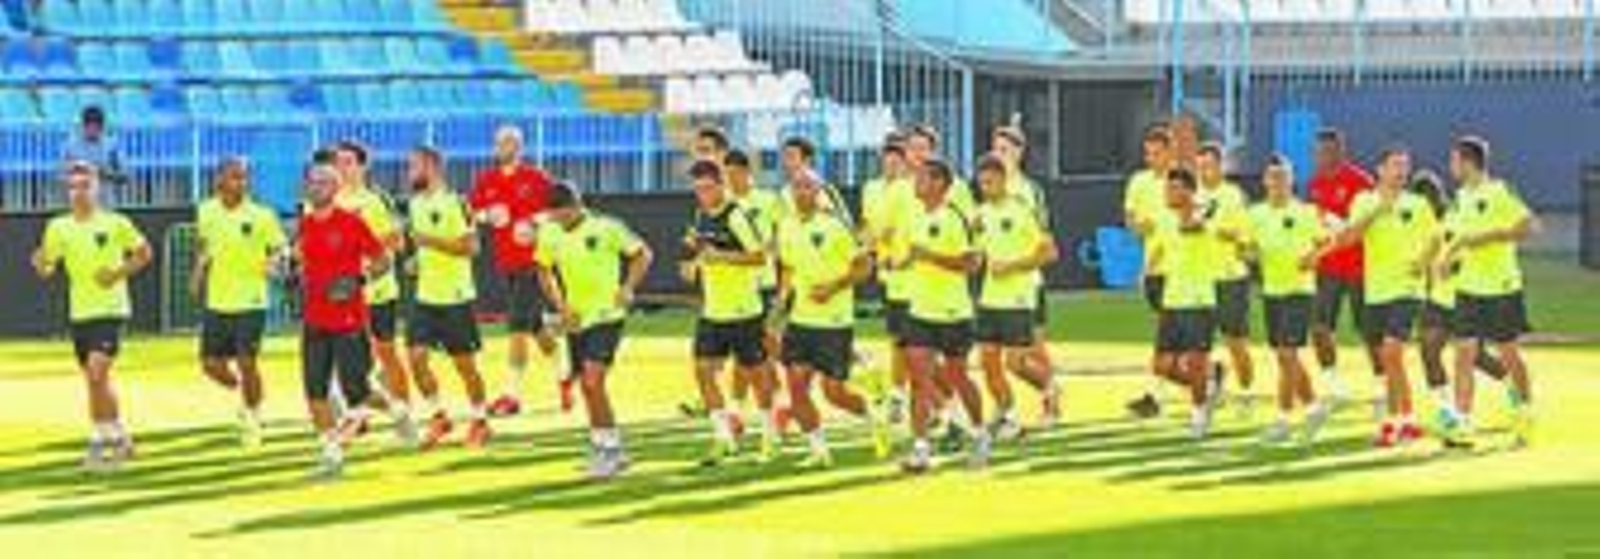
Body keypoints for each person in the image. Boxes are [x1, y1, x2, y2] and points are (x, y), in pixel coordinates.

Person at [1313, 148, 1438, 447]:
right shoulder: (1364, 201)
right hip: (1375, 291)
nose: (1401, 171)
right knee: (1388, 359)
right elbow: (1348, 238)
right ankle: (1406, 419)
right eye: (1395, 165)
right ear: (1380, 170)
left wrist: (1423, 262)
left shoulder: (1418, 204)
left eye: (1405, 165)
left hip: (1408, 290)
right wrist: (1376, 211)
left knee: (1393, 352)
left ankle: (1390, 424)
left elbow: (1435, 238)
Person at [32, 161, 152, 471]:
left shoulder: (116, 223)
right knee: (96, 381)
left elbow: (144, 253)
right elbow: (47, 268)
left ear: (97, 187)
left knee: (97, 373)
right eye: (73, 187)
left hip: (111, 310)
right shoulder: (58, 227)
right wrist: (40, 264)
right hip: (80, 312)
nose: (78, 193)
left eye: (85, 186)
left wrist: (117, 273)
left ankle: (99, 443)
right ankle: (121, 438)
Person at [535, 181, 652, 479]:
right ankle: (605, 446)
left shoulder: (607, 227)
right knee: (588, 387)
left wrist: (627, 287)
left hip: (607, 315)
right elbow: (543, 269)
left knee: (591, 382)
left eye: (563, 214)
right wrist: (561, 307)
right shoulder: (549, 232)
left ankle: (609, 451)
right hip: (577, 319)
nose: (559, 220)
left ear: (577, 206)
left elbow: (642, 254)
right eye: (554, 215)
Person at [776, 171, 889, 466]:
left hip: (835, 323)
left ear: (818, 191)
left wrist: (833, 287)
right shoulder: (786, 226)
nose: (801, 192)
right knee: (796, 385)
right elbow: (788, 267)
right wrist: (780, 299)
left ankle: (874, 416)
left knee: (834, 394)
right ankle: (818, 451)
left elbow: (864, 267)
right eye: (796, 187)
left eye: (807, 187)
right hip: (800, 320)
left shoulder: (835, 226)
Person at [293, 164, 394, 479]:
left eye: (325, 181)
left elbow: (384, 259)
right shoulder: (305, 225)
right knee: (315, 392)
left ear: (336, 188)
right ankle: (331, 455)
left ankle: (399, 411)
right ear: (306, 187)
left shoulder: (352, 222)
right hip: (314, 319)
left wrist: (359, 280)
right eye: (313, 181)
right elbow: (300, 263)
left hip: (349, 319)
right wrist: (289, 271)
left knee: (358, 391)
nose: (318, 186)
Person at [1443, 136, 1540, 447]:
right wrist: (1448, 259)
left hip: (1501, 288)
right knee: (1463, 355)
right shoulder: (1459, 197)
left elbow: (1529, 227)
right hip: (1468, 288)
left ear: (1468, 162)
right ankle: (1462, 423)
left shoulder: (1500, 191)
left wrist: (1485, 237)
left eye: (1454, 160)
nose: (1451, 166)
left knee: (1509, 355)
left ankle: (1525, 415)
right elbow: (1458, 239)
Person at [682, 160, 777, 465]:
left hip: (743, 309)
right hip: (713, 310)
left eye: (708, 188)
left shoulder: (737, 215)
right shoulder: (700, 215)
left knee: (757, 374)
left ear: (721, 185)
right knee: (703, 371)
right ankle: (723, 439)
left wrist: (721, 256)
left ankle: (768, 435)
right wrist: (692, 262)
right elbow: (700, 250)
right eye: (697, 189)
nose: (703, 195)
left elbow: (760, 257)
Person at [899, 159, 991, 474]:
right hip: (919, 311)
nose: (915, 181)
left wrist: (929, 256)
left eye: (921, 177)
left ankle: (980, 434)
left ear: (938, 183)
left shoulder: (955, 218)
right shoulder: (914, 217)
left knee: (957, 377)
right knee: (919, 381)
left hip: (954, 313)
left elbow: (972, 264)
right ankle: (921, 449)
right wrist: (899, 263)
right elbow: (911, 257)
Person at [192, 157, 286, 448]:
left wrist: (276, 262)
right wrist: (198, 273)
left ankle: (254, 417)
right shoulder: (206, 211)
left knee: (247, 362)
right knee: (210, 365)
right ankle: (243, 394)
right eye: (234, 177)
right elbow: (205, 247)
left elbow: (280, 248)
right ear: (219, 180)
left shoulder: (263, 215)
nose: (241, 183)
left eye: (244, 177)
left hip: (252, 300)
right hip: (218, 301)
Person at [1409, 170, 1511, 441]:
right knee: (1428, 349)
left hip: (1465, 297)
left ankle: (1512, 383)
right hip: (1437, 301)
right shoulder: (1416, 224)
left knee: (1475, 357)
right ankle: (1446, 412)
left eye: (1428, 199)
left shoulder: (1454, 217)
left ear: (1437, 199)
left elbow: (1467, 251)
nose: (1424, 205)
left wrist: (1453, 265)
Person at [469, 125, 561, 417]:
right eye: (500, 143)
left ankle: (512, 395)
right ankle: (566, 374)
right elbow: (471, 211)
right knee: (535, 327)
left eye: (510, 142)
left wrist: (534, 222)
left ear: (520, 147)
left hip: (534, 261)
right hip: (505, 261)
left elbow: (558, 211)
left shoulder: (536, 177)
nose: (505, 147)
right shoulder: (487, 180)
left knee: (517, 327)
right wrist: (487, 215)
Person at [405, 146, 492, 450]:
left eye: (413, 165)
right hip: (425, 297)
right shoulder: (414, 204)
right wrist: (417, 258)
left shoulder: (457, 202)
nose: (409, 171)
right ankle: (438, 417)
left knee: (465, 367)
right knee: (416, 359)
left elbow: (472, 248)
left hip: (456, 298)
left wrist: (430, 242)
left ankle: (480, 421)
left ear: (432, 166)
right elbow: (423, 247)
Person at [972, 155, 1061, 439]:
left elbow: (1049, 252)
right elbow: (977, 254)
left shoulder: (1023, 210)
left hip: (1019, 298)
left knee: (1016, 363)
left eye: (990, 181)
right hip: (989, 298)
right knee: (987, 360)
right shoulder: (980, 215)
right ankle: (1007, 416)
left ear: (1003, 180)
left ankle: (1049, 387)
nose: (986, 187)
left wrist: (1011, 266)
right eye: (982, 183)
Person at [1245, 156, 1333, 445]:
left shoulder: (1306, 212)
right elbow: (1248, 249)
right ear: (1265, 181)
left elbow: (1329, 240)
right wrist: (1248, 255)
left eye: (1283, 177)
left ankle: (1284, 420)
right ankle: (1312, 408)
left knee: (1286, 353)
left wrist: (1313, 257)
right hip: (1272, 292)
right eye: (1273, 177)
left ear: (1292, 180)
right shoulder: (1255, 214)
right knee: (1286, 357)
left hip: (1300, 291)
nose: (1278, 183)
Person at [331, 141, 410, 418]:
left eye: (348, 162)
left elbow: (397, 242)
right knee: (346, 359)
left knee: (387, 354)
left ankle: (404, 411)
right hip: (341, 294)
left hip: (378, 291)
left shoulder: (377, 200)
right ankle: (356, 415)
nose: (342, 168)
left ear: (363, 166)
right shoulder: (326, 201)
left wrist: (367, 253)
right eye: (337, 162)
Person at [990, 125, 1062, 419]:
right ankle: (1004, 407)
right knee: (992, 353)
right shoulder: (986, 186)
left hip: (1026, 282)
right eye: (996, 149)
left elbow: (1044, 239)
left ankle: (1050, 393)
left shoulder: (1029, 190)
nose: (1000, 155)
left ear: (1020, 153)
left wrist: (1018, 264)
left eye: (1006, 149)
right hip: (993, 287)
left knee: (1031, 351)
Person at [1307, 128, 1380, 411]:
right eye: (1319, 151)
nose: (1323, 156)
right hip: (1328, 268)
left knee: (1369, 332)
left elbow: (1367, 226)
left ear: (1341, 151)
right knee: (1319, 327)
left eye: (1329, 151)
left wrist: (1338, 224)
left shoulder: (1360, 181)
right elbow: (1314, 223)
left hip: (1359, 269)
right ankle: (1332, 385)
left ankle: (1381, 386)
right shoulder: (1314, 184)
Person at [1148, 168, 1223, 440]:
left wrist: (1199, 211)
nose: (1168, 193)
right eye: (1167, 189)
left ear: (1189, 191)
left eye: (1174, 189)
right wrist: (1148, 270)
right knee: (1161, 366)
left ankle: (1199, 414)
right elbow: (1160, 247)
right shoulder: (1165, 219)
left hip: (1199, 300)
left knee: (1195, 362)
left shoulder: (1204, 215)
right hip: (1172, 300)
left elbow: (1193, 226)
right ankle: (1211, 380)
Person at [724, 149, 787, 433]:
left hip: (767, 283)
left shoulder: (769, 200)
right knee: (743, 352)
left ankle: (778, 406)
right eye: (727, 174)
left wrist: (771, 250)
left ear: (749, 173)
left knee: (769, 349)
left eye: (735, 173)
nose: (731, 180)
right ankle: (737, 411)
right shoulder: (723, 204)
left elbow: (783, 236)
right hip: (737, 288)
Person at [858, 134, 916, 423]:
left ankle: (912, 399)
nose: (891, 162)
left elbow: (893, 230)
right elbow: (868, 226)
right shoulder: (870, 188)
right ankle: (899, 396)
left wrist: (874, 242)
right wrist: (864, 249)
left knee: (914, 343)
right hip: (888, 275)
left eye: (897, 157)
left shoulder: (911, 188)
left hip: (912, 276)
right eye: (887, 156)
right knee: (898, 340)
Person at [1194, 143, 1257, 409]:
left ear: (1221, 166)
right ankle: (1212, 385)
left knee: (1236, 341)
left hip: (1231, 277)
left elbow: (1247, 238)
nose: (1204, 171)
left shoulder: (1233, 195)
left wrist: (1221, 231)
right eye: (1200, 166)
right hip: (1198, 278)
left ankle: (1246, 391)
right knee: (1197, 343)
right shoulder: (1191, 195)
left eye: (1209, 165)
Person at [1123, 124, 1178, 419]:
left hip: (1180, 269)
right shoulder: (1138, 182)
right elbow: (1131, 221)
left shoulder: (1183, 181)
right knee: (1172, 334)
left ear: (1171, 153)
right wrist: (1138, 226)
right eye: (1148, 153)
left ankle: (1155, 396)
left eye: (1158, 153)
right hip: (1153, 268)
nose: (1151, 159)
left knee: (1167, 334)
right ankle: (1208, 376)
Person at [60, 106, 126, 191]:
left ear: (102, 127)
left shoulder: (112, 145)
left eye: (96, 126)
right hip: (78, 192)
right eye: (89, 125)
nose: (93, 129)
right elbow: (62, 173)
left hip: (104, 192)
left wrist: (108, 174)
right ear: (83, 126)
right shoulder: (71, 145)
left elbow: (123, 176)